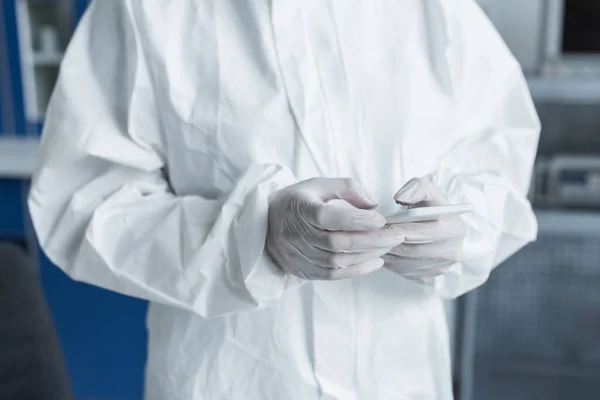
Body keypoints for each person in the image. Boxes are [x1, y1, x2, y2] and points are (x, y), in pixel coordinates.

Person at [28, 0, 539, 399]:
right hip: (230, 381)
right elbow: (83, 202)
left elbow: (498, 166)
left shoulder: (437, 10)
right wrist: (255, 239)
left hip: (401, 380)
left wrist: (460, 228)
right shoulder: (146, 9)